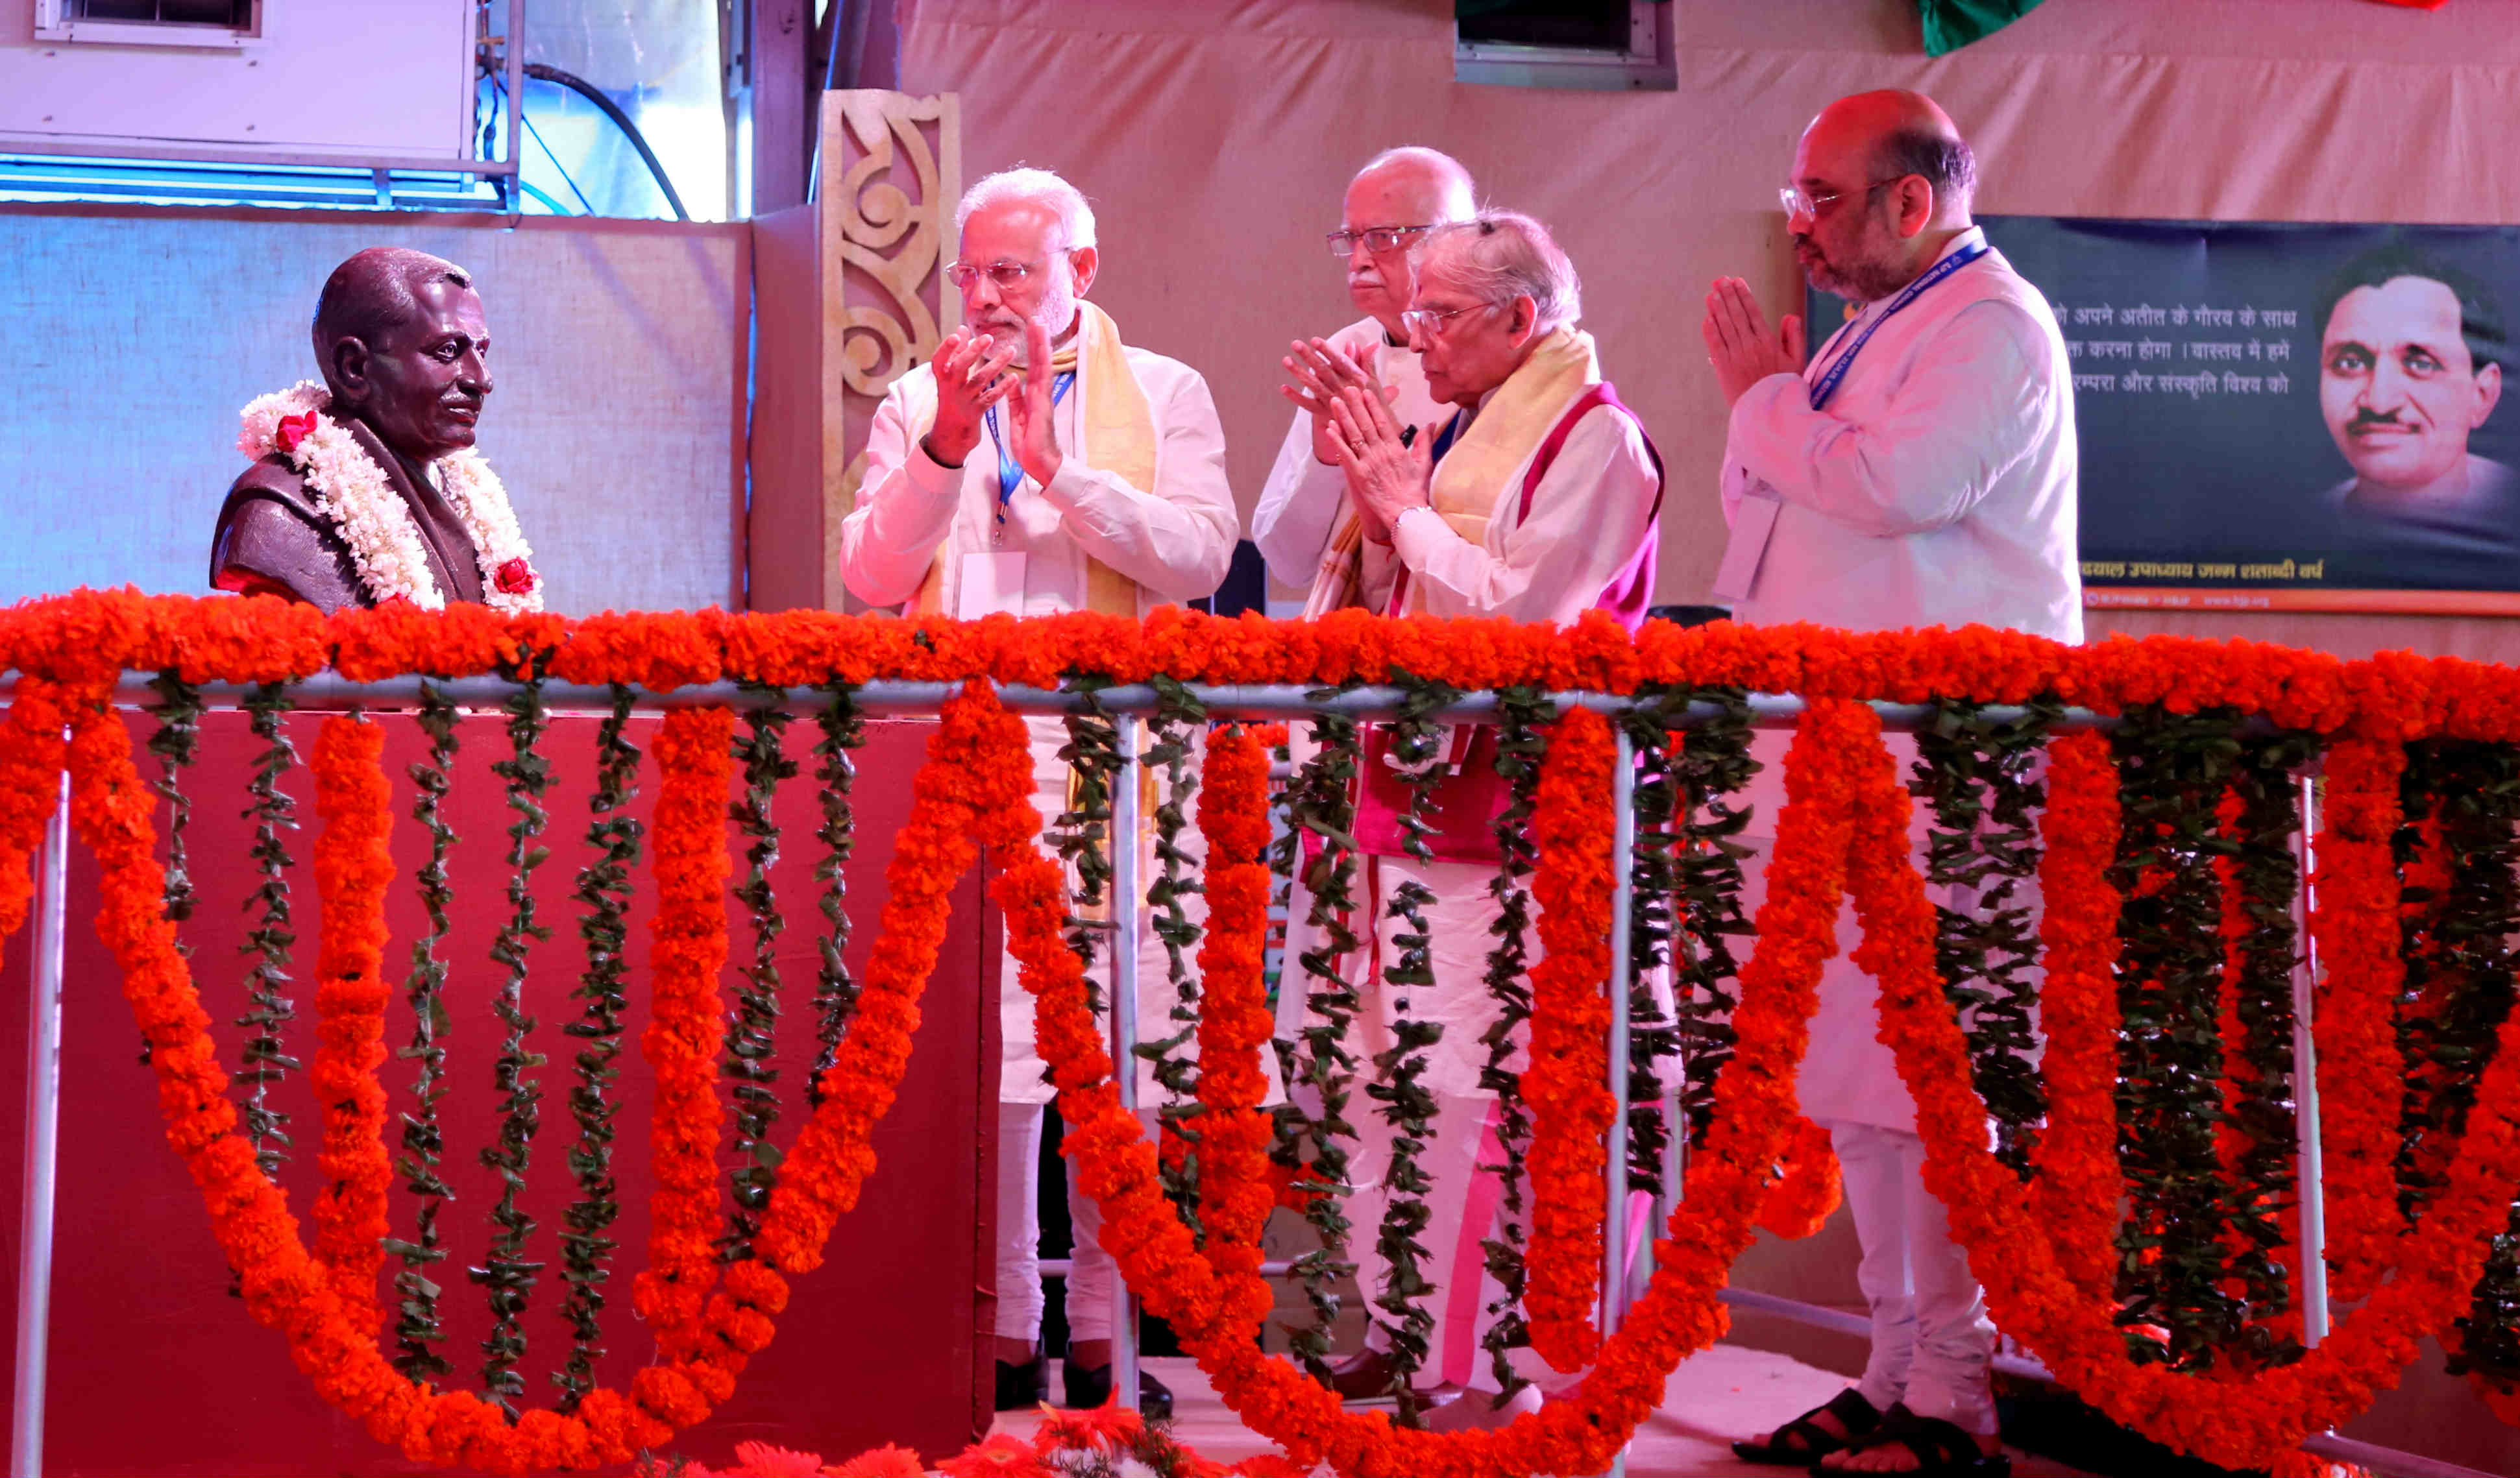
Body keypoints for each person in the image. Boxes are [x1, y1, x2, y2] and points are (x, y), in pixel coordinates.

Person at [1702, 89, 2077, 1477]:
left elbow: (1897, 488)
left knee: (1930, 1079)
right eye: (1794, 196)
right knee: (1856, 1079)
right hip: (1836, 750)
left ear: (1911, 203)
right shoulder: (1878, 324)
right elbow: (1788, 505)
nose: (1795, 225)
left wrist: (1758, 401)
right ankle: (1888, 1366)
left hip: (1947, 763)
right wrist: (1776, 413)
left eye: (1820, 199)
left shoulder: (1990, 326)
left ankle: (1954, 1388)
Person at [840, 166, 1236, 1419]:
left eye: (1015, 270)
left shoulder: (1166, 393)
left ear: (1085, 271)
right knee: (995, 1064)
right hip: (972, 769)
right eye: (971, 272)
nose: (989, 294)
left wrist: (1064, 473)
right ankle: (1006, 1324)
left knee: (1115, 1064)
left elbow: (1200, 558)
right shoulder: (920, 398)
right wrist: (951, 446)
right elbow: (866, 571)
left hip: (1122, 781)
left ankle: (1111, 1338)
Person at [1287, 211, 1667, 1428]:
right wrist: (1376, 498)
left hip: (1522, 813)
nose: (1416, 335)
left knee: (1478, 1079)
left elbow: (1517, 633)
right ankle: (1405, 1326)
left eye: (1440, 315)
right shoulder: (1455, 431)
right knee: (1396, 1071)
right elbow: (1396, 591)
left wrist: (1403, 511)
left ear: (1523, 317)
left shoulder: (1597, 440)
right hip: (1414, 799)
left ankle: (1493, 1362)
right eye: (1416, 312)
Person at [214, 247, 541, 613]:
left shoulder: (466, 495)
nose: (481, 379)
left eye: (481, 352)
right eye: (448, 350)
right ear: (354, 367)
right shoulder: (280, 513)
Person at [1254, 145, 1476, 614]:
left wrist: (1384, 445)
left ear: (1452, 237)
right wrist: (1326, 454)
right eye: (1351, 239)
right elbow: (1288, 564)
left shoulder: (1491, 360)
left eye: (1381, 237)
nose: (1357, 261)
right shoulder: (1347, 351)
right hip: (1356, 634)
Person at [2313, 244, 2515, 531]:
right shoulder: (2296, 531)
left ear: (2482, 395)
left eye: (2421, 364)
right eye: (2350, 363)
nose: (2379, 402)